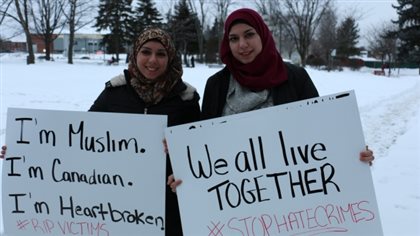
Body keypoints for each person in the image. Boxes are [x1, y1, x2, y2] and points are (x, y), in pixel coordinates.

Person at [2, 28, 200, 236]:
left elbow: (198, 153)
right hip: (114, 207)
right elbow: (77, 141)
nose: (153, 60)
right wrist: (25, 152)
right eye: (146, 52)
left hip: (168, 208)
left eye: (161, 53)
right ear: (135, 54)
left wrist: (182, 172)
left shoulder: (185, 100)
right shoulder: (113, 93)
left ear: (170, 58)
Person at [167, 8, 374, 192]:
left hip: (290, 197)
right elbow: (205, 143)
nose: (242, 45)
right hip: (233, 202)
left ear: (263, 35)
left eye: (249, 35)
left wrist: (350, 152)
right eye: (233, 38)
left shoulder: (295, 78)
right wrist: (187, 173)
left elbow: (319, 134)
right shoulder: (217, 85)